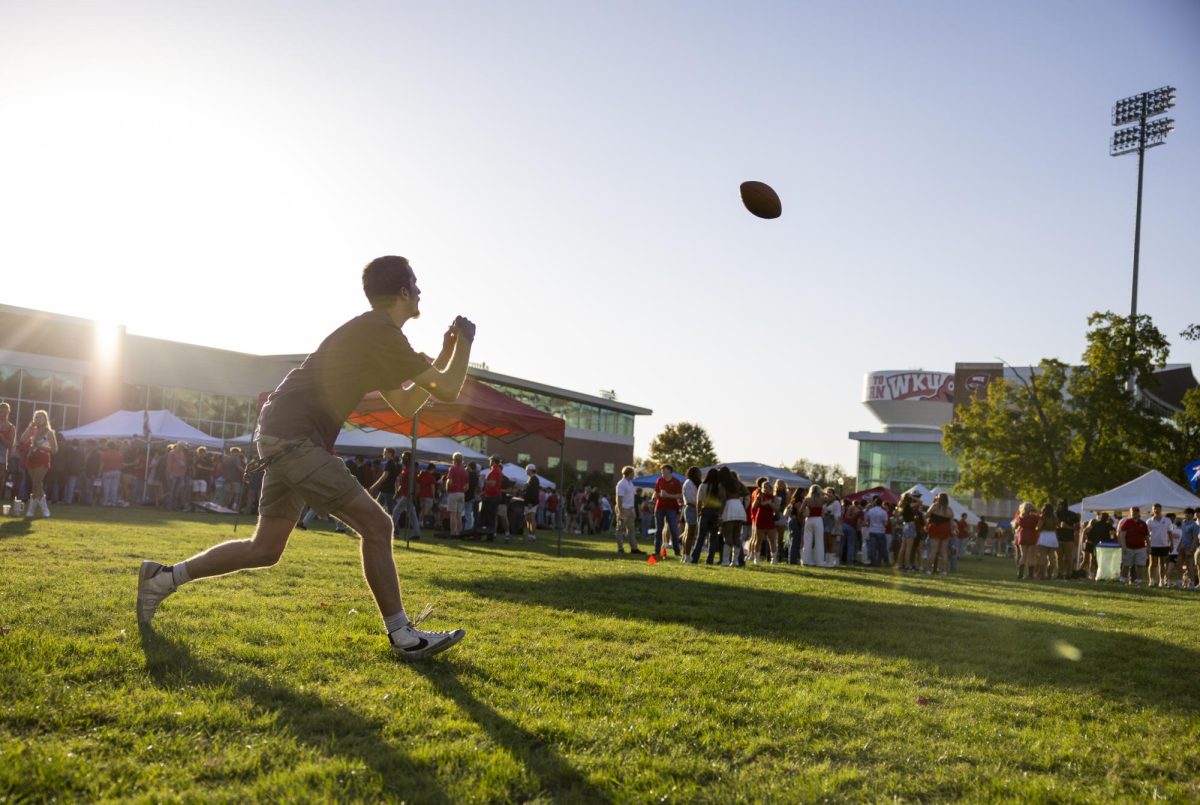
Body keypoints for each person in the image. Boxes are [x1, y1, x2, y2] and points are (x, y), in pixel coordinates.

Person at [137, 255, 476, 661]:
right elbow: (449, 391)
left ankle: (160, 579)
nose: (421, 291)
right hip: (294, 438)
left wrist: (442, 355)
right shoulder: (380, 331)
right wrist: (466, 342)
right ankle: (403, 634)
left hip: (284, 433)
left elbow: (405, 403)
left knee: (265, 549)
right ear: (403, 291)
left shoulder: (376, 334)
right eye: (416, 284)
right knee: (377, 524)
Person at [19, 409, 58, 518]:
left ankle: (30, 510)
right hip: (31, 458)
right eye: (36, 417)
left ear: (45, 419)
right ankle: (44, 508)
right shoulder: (32, 430)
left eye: (41, 417)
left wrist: (40, 446)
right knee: (38, 485)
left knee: (36, 484)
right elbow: (22, 439)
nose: (38, 419)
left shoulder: (49, 432)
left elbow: (55, 450)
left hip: (43, 458)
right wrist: (29, 427)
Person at [652, 464, 683, 558]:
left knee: (673, 530)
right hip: (659, 507)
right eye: (661, 471)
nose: (662, 473)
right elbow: (656, 492)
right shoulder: (659, 480)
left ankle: (677, 552)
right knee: (658, 530)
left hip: (672, 509)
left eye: (664, 471)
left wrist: (668, 495)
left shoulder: (676, 482)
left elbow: (680, 495)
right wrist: (654, 496)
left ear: (669, 471)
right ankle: (656, 551)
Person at [1117, 506, 1149, 585]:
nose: (1134, 513)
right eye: (1133, 512)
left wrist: (1149, 546)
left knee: (1140, 565)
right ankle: (1123, 579)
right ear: (1130, 513)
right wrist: (1123, 546)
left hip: (1140, 548)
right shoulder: (1126, 522)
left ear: (1138, 513)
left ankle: (1139, 580)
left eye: (1136, 512)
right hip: (1129, 547)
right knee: (1126, 564)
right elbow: (1122, 535)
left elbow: (1146, 536)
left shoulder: (1143, 523)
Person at [924, 493, 955, 575]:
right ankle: (944, 571)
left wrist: (926, 524)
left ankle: (929, 570)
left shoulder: (935, 506)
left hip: (935, 528)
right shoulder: (949, 509)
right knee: (944, 551)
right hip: (946, 529)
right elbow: (951, 523)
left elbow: (926, 516)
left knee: (933, 550)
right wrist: (951, 532)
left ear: (939, 498)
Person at [613, 467, 641, 554]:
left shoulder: (630, 483)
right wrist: (620, 511)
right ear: (629, 473)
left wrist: (633, 510)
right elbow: (618, 498)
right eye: (633, 473)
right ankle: (620, 548)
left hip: (630, 509)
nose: (634, 475)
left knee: (631, 530)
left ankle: (634, 548)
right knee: (620, 529)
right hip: (624, 509)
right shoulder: (621, 484)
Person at [1145, 503, 1173, 588]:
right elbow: (1146, 534)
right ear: (1153, 510)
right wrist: (1147, 545)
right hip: (1153, 545)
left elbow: (1170, 532)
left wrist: (1171, 543)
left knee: (1162, 563)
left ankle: (1161, 580)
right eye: (1155, 509)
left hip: (1164, 545)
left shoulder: (1167, 520)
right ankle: (1151, 580)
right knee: (1152, 563)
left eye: (1158, 509)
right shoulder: (1149, 521)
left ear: (1161, 510)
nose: (1156, 510)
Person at [478, 455, 505, 541]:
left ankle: (481, 534)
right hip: (495, 495)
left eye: (490, 461)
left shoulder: (494, 471)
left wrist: (484, 480)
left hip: (491, 496)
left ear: (493, 461)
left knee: (485, 516)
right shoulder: (498, 470)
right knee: (492, 517)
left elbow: (492, 484)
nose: (489, 462)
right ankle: (490, 535)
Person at [799, 484, 826, 567]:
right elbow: (833, 498)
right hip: (818, 520)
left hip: (809, 520)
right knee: (819, 541)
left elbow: (800, 511)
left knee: (807, 541)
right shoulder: (822, 499)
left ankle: (805, 560)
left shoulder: (807, 499)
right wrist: (824, 492)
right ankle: (819, 561)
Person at [444, 452, 468, 537]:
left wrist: (447, 489)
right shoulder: (465, 470)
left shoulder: (452, 468)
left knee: (453, 514)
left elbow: (449, 481)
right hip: (461, 493)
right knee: (459, 514)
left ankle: (453, 532)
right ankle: (458, 532)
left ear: (454, 459)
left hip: (453, 492)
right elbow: (466, 486)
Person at [680, 467, 701, 562]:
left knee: (688, 533)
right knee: (690, 533)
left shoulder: (689, 483)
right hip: (691, 508)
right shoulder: (689, 483)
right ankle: (687, 555)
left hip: (690, 508)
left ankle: (685, 555)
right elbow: (692, 499)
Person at [864, 495, 889, 566]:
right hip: (881, 531)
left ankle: (873, 562)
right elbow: (885, 523)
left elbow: (867, 521)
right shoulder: (883, 512)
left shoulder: (871, 511)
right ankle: (884, 561)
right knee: (882, 548)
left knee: (873, 548)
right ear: (881, 503)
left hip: (872, 531)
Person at [0, 402, 15, 503]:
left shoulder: (11, 427)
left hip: (2, 458)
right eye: (1, 411)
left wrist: (1, 435)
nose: (2, 414)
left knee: (1, 480)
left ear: (8, 412)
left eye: (5, 412)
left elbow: (10, 445)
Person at [522, 464, 540, 541]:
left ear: (531, 470)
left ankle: (533, 535)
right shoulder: (530, 478)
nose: (526, 471)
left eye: (527, 470)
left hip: (531, 503)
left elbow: (534, 492)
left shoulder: (534, 479)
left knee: (531, 518)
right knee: (528, 519)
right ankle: (530, 534)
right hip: (528, 502)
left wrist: (531, 502)